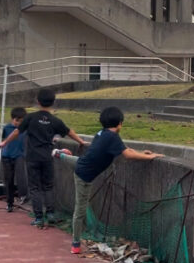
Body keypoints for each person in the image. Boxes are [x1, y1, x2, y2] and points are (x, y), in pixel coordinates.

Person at [54, 106, 162, 254]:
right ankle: (75, 243)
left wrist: (142, 153)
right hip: (84, 177)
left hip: (83, 163)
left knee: (79, 161)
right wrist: (150, 157)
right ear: (120, 124)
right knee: (80, 210)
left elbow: (126, 149)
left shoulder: (102, 134)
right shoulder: (112, 137)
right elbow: (128, 155)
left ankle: (60, 155)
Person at [0, 88, 87, 228]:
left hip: (32, 158)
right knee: (48, 186)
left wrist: (5, 142)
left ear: (38, 101)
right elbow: (69, 131)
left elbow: (17, 132)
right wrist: (81, 142)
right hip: (47, 157)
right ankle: (51, 214)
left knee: (35, 187)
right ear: (53, 102)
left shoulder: (30, 118)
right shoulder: (55, 120)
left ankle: (39, 217)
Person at [1, 107, 27, 212]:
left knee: (21, 175)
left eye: (21, 121)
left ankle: (23, 195)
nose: (18, 123)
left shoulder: (25, 129)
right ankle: (9, 202)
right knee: (9, 179)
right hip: (7, 156)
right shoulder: (6, 128)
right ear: (12, 119)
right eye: (17, 120)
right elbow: (2, 139)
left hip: (19, 155)